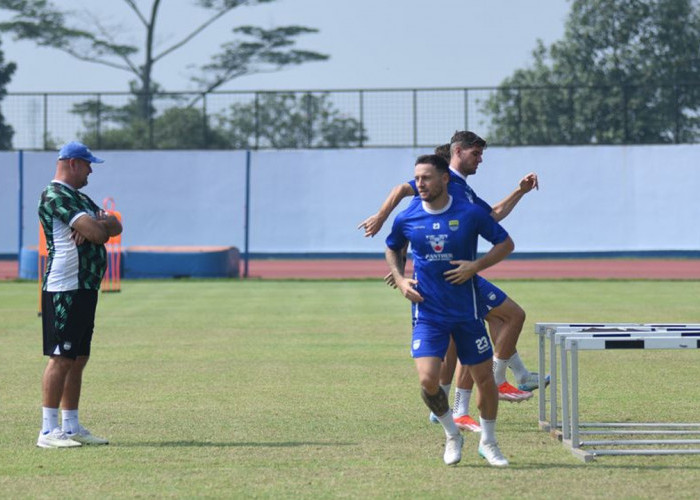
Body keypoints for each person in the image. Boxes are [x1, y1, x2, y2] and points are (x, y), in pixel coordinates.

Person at [360, 131, 547, 431]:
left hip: (455, 275)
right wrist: (383, 221)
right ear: (457, 152)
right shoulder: (439, 180)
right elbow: (405, 203)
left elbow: (493, 216)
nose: (481, 159)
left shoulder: (462, 191)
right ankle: (497, 382)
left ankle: (454, 405)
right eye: (476, 153)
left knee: (466, 341)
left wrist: (520, 191)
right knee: (508, 316)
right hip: (440, 281)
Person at [385, 153, 513, 466]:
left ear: (445, 179)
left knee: (485, 379)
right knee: (429, 382)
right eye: (417, 178)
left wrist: (476, 266)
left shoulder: (469, 213)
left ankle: (489, 441)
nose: (420, 184)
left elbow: (505, 243)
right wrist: (401, 280)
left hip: (467, 313)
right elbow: (392, 247)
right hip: (428, 314)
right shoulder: (407, 217)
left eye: (426, 178)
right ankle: (452, 434)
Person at [36, 141, 122, 448]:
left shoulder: (80, 197)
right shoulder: (55, 195)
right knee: (61, 356)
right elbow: (102, 234)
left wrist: (96, 223)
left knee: (78, 357)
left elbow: (113, 224)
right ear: (73, 163)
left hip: (84, 287)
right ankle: (48, 431)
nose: (90, 171)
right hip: (66, 287)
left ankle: (70, 426)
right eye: (87, 165)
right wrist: (98, 226)